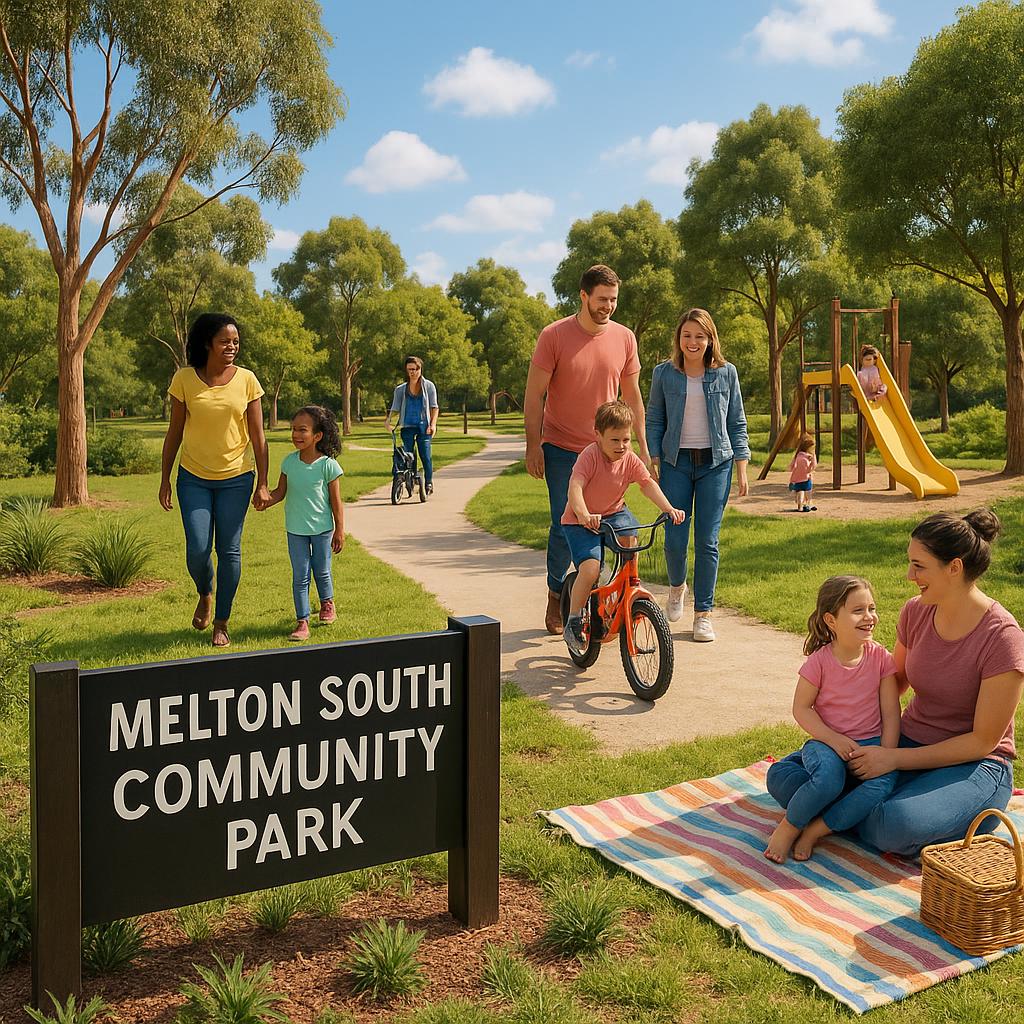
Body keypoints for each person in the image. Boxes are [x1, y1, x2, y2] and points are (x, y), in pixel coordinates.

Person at [831, 509, 1024, 857]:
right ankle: (852, 813)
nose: (909, 575)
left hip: (976, 765)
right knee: (798, 778)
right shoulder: (915, 611)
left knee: (894, 824)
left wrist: (893, 759)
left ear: (954, 567)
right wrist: (841, 702)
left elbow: (983, 741)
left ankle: (843, 817)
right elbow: (896, 681)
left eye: (919, 565)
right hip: (907, 741)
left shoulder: (1003, 637)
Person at [525, 265, 649, 636]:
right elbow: (534, 394)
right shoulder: (554, 336)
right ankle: (555, 591)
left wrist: (643, 447)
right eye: (601, 299)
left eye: (613, 299)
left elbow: (633, 397)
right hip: (562, 446)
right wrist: (534, 445)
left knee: (616, 523)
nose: (608, 306)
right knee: (565, 524)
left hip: (608, 450)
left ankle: (602, 596)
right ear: (583, 296)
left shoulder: (625, 338)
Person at [764, 576, 901, 863]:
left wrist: (885, 754)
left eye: (872, 608)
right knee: (828, 781)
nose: (869, 617)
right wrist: (833, 739)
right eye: (858, 610)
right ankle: (790, 826)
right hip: (826, 744)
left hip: (870, 744)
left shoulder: (881, 659)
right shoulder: (819, 662)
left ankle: (816, 830)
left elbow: (891, 713)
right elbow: (802, 709)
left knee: (883, 784)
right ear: (831, 620)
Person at [159, 313, 270, 648]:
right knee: (197, 549)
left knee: (229, 550)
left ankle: (221, 621)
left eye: (235, 342)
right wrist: (165, 478)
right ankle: (205, 591)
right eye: (225, 341)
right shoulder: (184, 379)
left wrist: (262, 482)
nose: (231, 347)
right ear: (208, 343)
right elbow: (174, 432)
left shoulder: (248, 380)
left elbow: (259, 436)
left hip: (236, 478)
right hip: (193, 478)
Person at [645, 308, 749, 642]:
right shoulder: (664, 373)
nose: (693, 342)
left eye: (700, 336)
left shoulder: (726, 373)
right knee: (675, 539)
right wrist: (653, 458)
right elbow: (654, 418)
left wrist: (742, 467)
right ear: (679, 338)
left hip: (715, 465)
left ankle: (703, 614)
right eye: (687, 335)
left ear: (710, 339)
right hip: (676, 463)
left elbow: (737, 422)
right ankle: (677, 587)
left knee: (707, 541)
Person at [561, 401, 685, 655]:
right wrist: (584, 514)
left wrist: (668, 508)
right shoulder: (590, 455)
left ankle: (624, 597)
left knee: (632, 543)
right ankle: (573, 620)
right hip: (581, 520)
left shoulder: (629, 459)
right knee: (591, 568)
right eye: (614, 440)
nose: (621, 446)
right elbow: (575, 485)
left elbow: (647, 484)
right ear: (597, 435)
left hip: (615, 513)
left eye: (626, 440)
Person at [259, 405, 345, 642]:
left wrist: (339, 530)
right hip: (295, 529)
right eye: (294, 429)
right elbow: (280, 492)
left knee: (322, 570)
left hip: (322, 530)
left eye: (302, 430)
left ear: (317, 436)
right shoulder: (289, 462)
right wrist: (266, 500)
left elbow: (336, 503)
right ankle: (302, 621)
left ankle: (327, 604)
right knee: (300, 575)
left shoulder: (328, 465)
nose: (296, 434)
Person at [386, 355, 439, 495]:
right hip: (407, 426)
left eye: (416, 369)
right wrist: (389, 421)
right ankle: (408, 479)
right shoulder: (400, 389)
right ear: (406, 370)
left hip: (424, 427)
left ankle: (428, 482)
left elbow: (434, 407)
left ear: (420, 369)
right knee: (406, 456)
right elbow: (395, 408)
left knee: (425, 455)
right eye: (410, 369)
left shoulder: (429, 386)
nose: (413, 372)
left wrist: (433, 425)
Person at [788, 434, 817, 512]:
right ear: (809, 448)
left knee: (800, 492)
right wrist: (813, 458)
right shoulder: (809, 456)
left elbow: (791, 467)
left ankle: (800, 506)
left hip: (796, 479)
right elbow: (813, 467)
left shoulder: (797, 456)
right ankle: (808, 504)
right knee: (808, 492)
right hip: (806, 478)